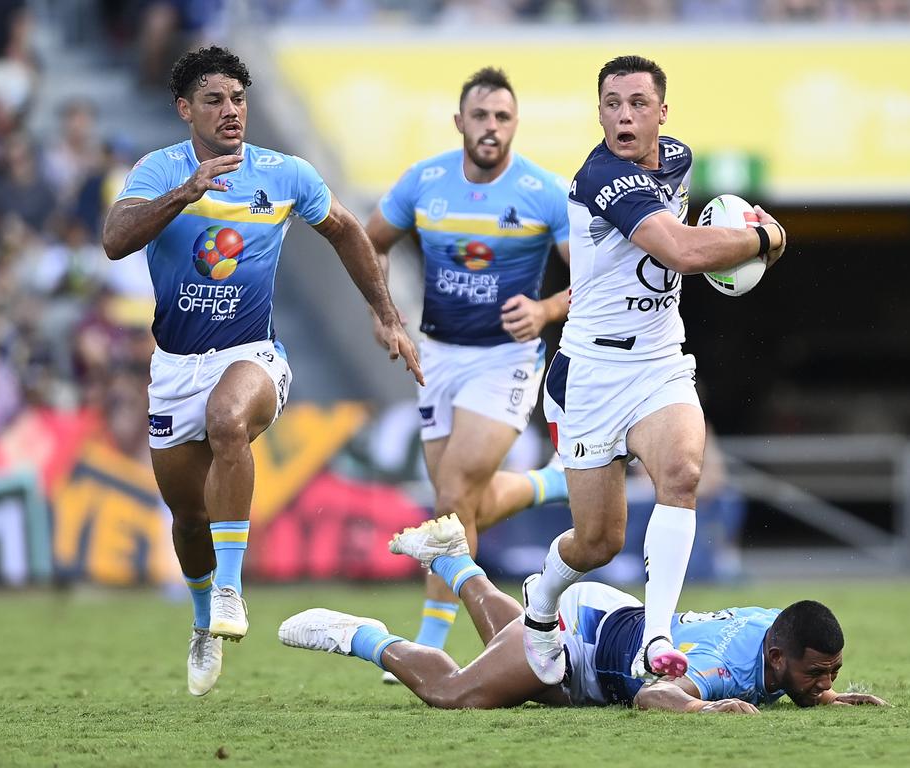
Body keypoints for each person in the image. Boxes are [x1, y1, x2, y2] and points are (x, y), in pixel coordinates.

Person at [101, 45, 422, 698]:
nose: (231, 111)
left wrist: (385, 311)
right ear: (184, 108)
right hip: (174, 368)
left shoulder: (285, 173)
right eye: (215, 99)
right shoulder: (158, 170)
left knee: (228, 422)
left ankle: (229, 587)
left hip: (252, 357)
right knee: (187, 519)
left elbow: (345, 230)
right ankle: (201, 622)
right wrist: (184, 192)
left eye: (239, 99)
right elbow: (114, 239)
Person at [519, 54, 788, 686]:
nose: (624, 117)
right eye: (612, 104)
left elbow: (695, 241)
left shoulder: (678, 159)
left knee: (682, 472)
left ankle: (657, 638)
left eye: (638, 104)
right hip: (590, 372)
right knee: (597, 543)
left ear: (662, 113)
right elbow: (684, 250)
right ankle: (539, 600)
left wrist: (738, 247)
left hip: (660, 362)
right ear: (600, 113)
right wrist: (765, 240)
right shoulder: (602, 177)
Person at [364, 66, 571, 668]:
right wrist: (385, 313)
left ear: (515, 125)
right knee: (456, 503)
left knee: (453, 492)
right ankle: (546, 485)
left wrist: (547, 307)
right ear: (460, 122)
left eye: (502, 117)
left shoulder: (543, 191)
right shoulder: (423, 182)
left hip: (507, 360)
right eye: (480, 116)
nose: (491, 127)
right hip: (439, 354)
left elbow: (595, 278)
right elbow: (370, 241)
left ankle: (432, 645)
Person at [278, 515, 888, 713]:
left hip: (605, 619)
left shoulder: (777, 628)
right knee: (458, 693)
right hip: (584, 641)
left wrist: (825, 696)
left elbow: (797, 662)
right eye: (818, 674)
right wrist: (703, 706)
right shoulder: (728, 664)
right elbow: (654, 698)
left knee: (506, 647)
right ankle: (361, 635)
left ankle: (455, 563)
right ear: (777, 658)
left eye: (831, 673)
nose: (824, 682)